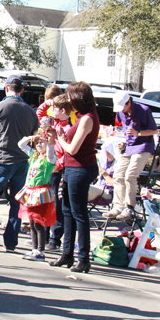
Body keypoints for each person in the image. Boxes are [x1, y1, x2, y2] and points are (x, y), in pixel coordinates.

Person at [0, 74, 39, 251]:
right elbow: (35, 137)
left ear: (6, 88)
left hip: (2, 158)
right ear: (22, 90)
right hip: (22, 160)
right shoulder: (30, 111)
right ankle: (10, 242)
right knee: (17, 201)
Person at [51, 81, 100, 273]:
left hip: (80, 168)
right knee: (67, 210)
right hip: (73, 168)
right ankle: (67, 254)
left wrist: (60, 137)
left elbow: (72, 148)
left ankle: (83, 258)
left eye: (71, 95)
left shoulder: (87, 118)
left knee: (79, 213)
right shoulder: (82, 117)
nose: (69, 99)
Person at [105, 91, 158, 222]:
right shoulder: (121, 112)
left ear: (129, 102)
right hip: (129, 146)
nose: (121, 110)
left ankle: (130, 206)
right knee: (118, 174)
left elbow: (154, 130)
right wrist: (124, 139)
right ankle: (118, 205)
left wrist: (138, 133)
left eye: (123, 106)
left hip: (143, 146)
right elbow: (124, 129)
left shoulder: (144, 110)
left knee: (130, 175)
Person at [36, 86, 69, 252]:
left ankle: (55, 239)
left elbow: (67, 150)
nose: (51, 110)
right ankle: (45, 236)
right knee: (46, 201)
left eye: (54, 108)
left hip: (57, 169)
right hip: (47, 166)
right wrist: (46, 104)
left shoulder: (67, 126)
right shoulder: (52, 123)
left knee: (57, 203)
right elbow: (39, 116)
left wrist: (59, 165)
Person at [17, 132, 57, 261]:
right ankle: (34, 249)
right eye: (37, 142)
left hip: (40, 193)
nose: (39, 144)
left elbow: (50, 152)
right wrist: (30, 138)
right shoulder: (34, 156)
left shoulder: (49, 159)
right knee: (32, 223)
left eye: (42, 142)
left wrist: (50, 141)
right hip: (30, 192)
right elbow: (21, 144)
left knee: (39, 223)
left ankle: (40, 251)